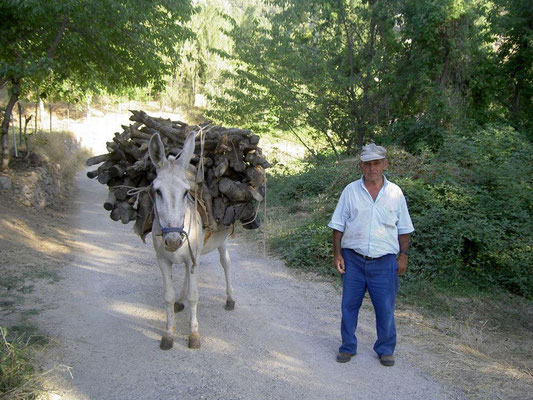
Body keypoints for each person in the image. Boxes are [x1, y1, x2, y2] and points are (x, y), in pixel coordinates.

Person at [328, 143, 414, 366]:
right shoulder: (350, 190)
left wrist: (402, 256)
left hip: (384, 261)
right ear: (361, 166)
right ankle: (348, 346)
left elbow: (404, 228)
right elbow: (338, 225)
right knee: (349, 305)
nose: (372, 168)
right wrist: (337, 254)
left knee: (385, 307)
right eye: (367, 164)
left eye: (376, 163)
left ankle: (385, 349)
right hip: (353, 259)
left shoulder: (395, 193)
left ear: (385, 164)